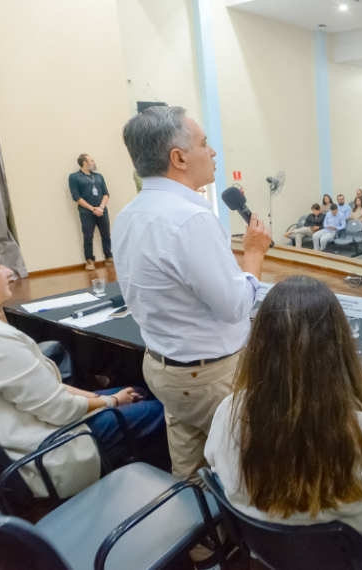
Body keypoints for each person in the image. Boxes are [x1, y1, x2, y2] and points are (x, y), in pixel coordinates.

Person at [0, 234, 166, 497]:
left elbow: (43, 392)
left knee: (132, 393)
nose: (9, 271)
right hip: (45, 455)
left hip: (2, 446)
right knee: (161, 409)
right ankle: (151, 494)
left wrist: (102, 397)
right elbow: (61, 411)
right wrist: (111, 401)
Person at [114, 107, 272, 479]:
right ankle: (248, 533)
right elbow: (235, 305)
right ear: (179, 158)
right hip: (210, 377)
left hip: (163, 367)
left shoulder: (128, 214)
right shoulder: (190, 218)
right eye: (204, 143)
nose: (213, 152)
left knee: (190, 462)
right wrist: (253, 254)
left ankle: (197, 530)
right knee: (250, 464)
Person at [206, 276, 362, 553]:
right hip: (348, 556)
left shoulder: (228, 410)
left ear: (260, 345)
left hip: (265, 550)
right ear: (339, 346)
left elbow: (214, 466)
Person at [68, 154, 112, 271]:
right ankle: (89, 260)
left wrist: (101, 208)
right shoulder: (74, 177)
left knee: (106, 234)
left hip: (102, 211)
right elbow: (76, 197)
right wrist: (93, 208)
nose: (94, 163)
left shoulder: (98, 176)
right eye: (92, 161)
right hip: (86, 213)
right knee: (88, 237)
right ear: (85, 163)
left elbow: (106, 193)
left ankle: (108, 257)